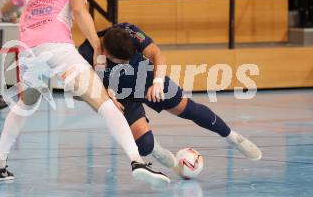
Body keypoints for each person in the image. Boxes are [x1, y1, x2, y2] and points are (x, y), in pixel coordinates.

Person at [0, 0, 170, 186]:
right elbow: (79, 10)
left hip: (29, 50)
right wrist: (96, 45)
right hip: (57, 45)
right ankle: (137, 161)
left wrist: (16, 14)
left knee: (24, 105)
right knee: (103, 100)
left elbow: (9, 7)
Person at [77, 23, 263, 165]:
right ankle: (156, 149)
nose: (126, 63)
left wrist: (157, 81)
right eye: (122, 62)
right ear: (106, 53)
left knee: (190, 110)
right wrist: (107, 97)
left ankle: (232, 137)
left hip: (146, 78)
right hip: (122, 97)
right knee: (145, 146)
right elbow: (80, 92)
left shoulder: (127, 31)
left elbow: (156, 53)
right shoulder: (84, 54)